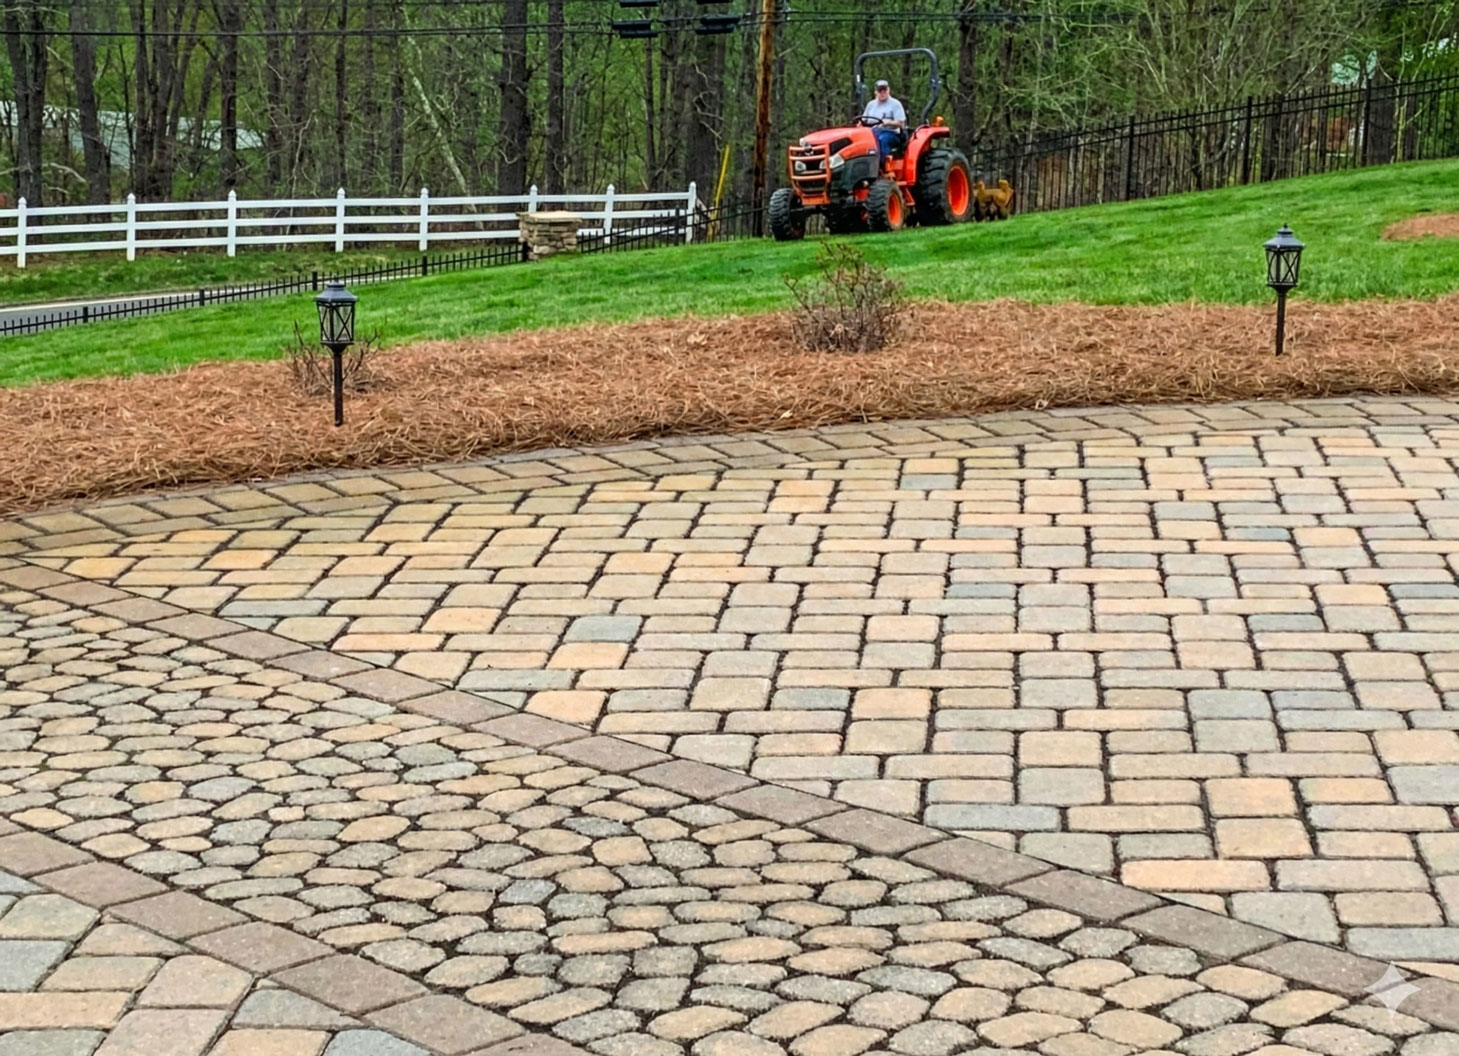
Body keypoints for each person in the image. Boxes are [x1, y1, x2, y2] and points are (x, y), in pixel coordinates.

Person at [862, 79, 906, 163]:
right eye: (880, 90)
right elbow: (863, 120)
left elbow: (901, 123)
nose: (882, 93)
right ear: (875, 92)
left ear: (888, 90)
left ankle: (882, 164)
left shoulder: (895, 104)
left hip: (891, 133)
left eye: (884, 90)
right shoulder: (871, 105)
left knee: (882, 139)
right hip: (872, 132)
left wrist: (888, 123)